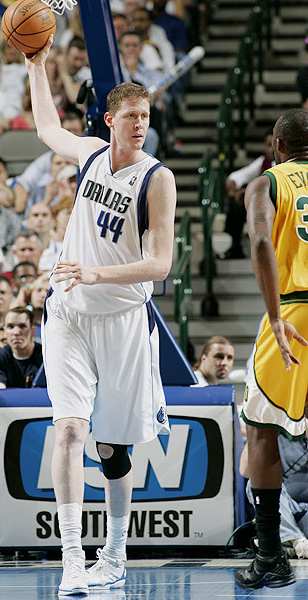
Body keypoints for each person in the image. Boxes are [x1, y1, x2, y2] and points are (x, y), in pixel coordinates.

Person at [26, 36, 176, 595]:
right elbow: (46, 129)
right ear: (110, 119)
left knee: (112, 446)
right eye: (131, 115)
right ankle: (71, 559)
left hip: (121, 319)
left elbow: (159, 264)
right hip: (67, 314)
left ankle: (114, 551)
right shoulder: (89, 152)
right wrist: (37, 67)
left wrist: (97, 273)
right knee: (68, 428)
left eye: (146, 115)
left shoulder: (157, 178)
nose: (140, 123)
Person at [234, 108, 308, 590]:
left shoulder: (266, 183)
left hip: (295, 312)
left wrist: (276, 316)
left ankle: (269, 558)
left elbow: (262, 241)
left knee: (260, 430)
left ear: (276, 147)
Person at [240, 429, 308, 560]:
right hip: (286, 509)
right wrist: (255, 436)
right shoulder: (273, 435)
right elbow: (245, 471)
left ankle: (287, 543)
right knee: (255, 484)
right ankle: (297, 542)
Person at [219, 132, 275, 260]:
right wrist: (234, 189)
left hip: (280, 206)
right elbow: (236, 177)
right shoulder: (263, 161)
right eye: (268, 145)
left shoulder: (287, 164)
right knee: (235, 206)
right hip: (263, 206)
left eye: (273, 145)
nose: (271, 149)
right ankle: (236, 247)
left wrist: (250, 191)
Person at [0, 307, 43, 406]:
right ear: (4, 331)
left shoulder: (46, 356)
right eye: (10, 327)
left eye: (22, 326)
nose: (16, 332)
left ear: (33, 331)